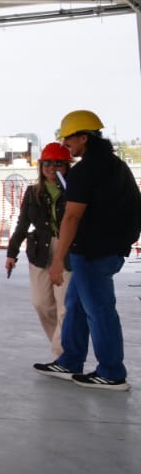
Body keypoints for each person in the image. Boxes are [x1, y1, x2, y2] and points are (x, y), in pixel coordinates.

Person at [33, 109, 141, 392]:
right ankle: (70, 361)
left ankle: (112, 373)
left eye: (69, 138)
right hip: (111, 249)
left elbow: (71, 217)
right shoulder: (117, 166)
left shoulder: (85, 170)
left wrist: (58, 259)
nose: (65, 144)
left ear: (83, 138)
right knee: (77, 306)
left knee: (100, 312)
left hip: (92, 252)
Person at [6, 143, 73, 359]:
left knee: (64, 306)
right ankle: (60, 345)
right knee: (41, 303)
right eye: (47, 163)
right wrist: (11, 253)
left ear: (67, 166)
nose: (52, 168)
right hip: (41, 251)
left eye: (58, 164)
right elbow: (22, 224)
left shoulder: (74, 191)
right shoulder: (33, 193)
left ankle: (60, 355)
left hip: (68, 250)